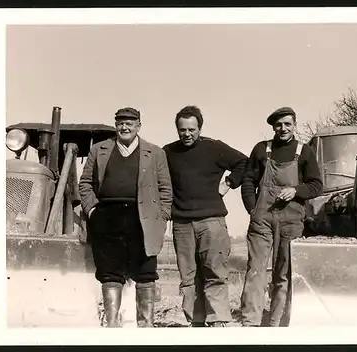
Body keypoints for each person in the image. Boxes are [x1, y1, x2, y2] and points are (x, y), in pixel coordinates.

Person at [79, 107, 172, 328]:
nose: (125, 127)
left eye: (130, 123)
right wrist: (93, 211)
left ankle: (146, 325)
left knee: (145, 271)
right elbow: (85, 184)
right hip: (107, 217)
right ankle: (112, 325)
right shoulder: (99, 150)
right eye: (120, 122)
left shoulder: (155, 153)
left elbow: (165, 190)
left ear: (139, 125)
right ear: (115, 126)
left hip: (142, 218)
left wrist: (162, 217)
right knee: (110, 272)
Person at [163, 105, 248, 327]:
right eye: (183, 130)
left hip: (212, 222)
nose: (187, 134)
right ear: (177, 129)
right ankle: (196, 323)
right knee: (188, 277)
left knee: (215, 273)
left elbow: (244, 163)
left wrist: (229, 183)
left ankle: (218, 322)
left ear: (200, 128)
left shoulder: (214, 148)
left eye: (192, 129)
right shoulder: (168, 152)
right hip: (181, 223)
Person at [239, 107, 323, 327]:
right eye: (278, 125)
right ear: (273, 127)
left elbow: (316, 185)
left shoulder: (304, 151)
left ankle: (277, 323)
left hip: (292, 220)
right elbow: (248, 181)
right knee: (255, 270)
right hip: (262, 219)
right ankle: (250, 323)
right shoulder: (261, 149)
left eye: (287, 124)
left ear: (294, 125)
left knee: (283, 273)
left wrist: (296, 190)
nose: (283, 128)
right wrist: (252, 208)